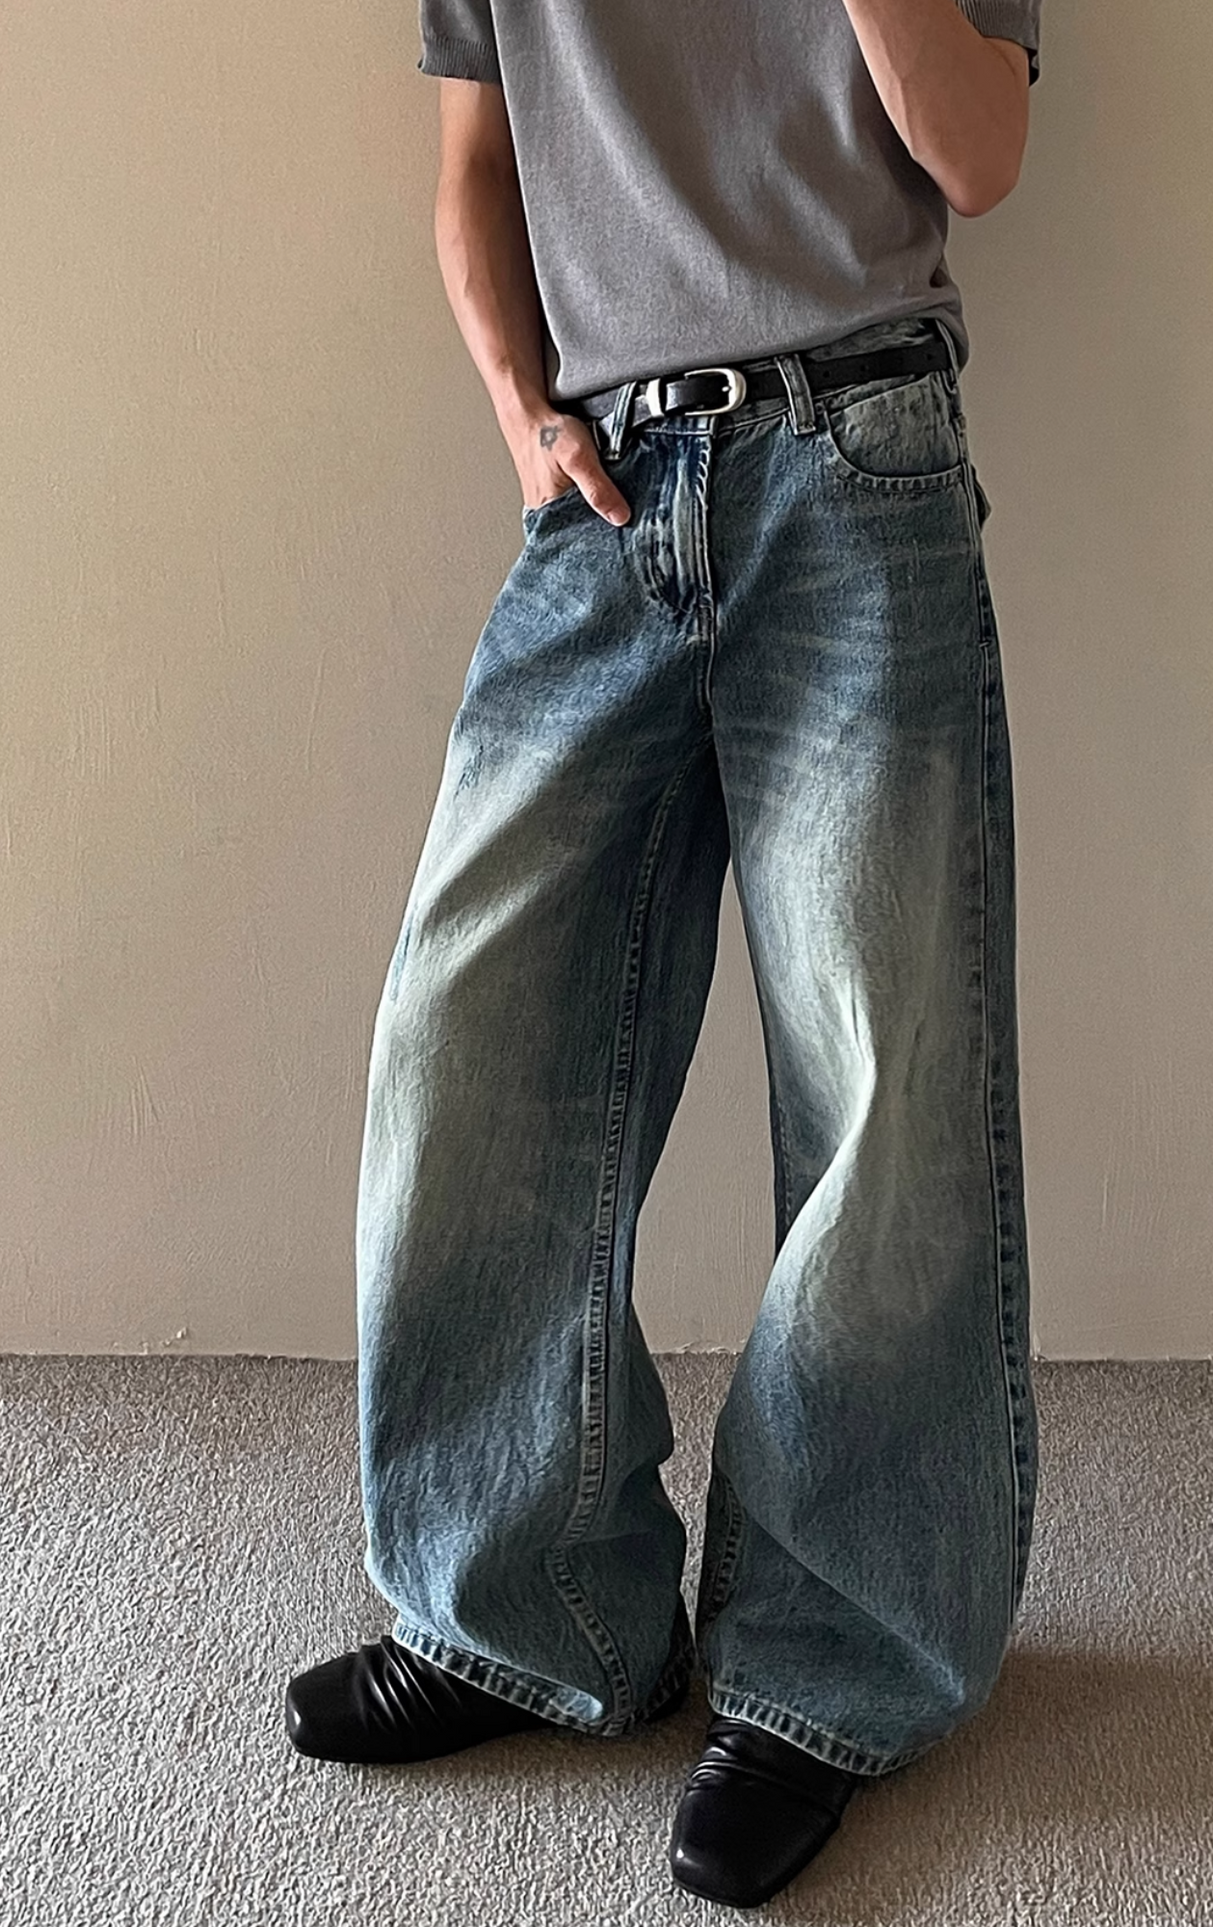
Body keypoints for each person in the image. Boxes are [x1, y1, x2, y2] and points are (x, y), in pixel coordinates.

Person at [285, 0, 1042, 1908]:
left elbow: (981, 154)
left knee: (880, 1088)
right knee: (471, 1043)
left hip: (860, 452)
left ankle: (830, 1669)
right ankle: (518, 1606)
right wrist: (521, 411)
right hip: (606, 489)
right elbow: (477, 166)